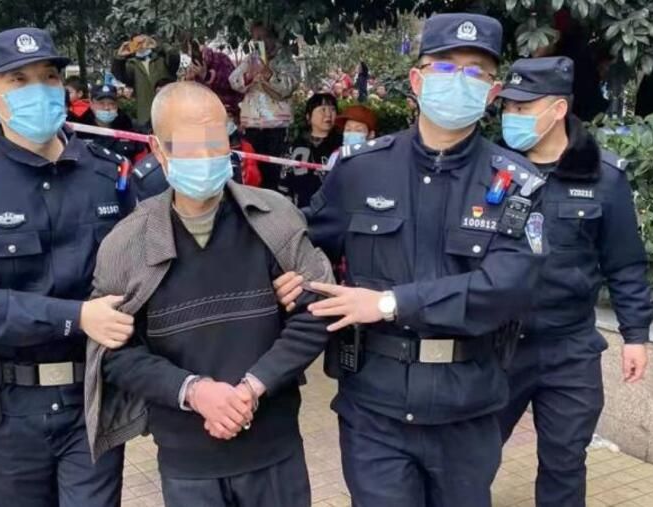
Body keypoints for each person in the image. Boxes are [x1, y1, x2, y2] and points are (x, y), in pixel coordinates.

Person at [274, 13, 549, 506]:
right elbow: (308, 245)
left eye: (474, 72)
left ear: (492, 93)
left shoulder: (516, 184)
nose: (458, 81)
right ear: (418, 81)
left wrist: (389, 303)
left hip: (466, 409)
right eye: (444, 68)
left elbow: (508, 287)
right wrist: (294, 283)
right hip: (373, 408)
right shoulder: (361, 171)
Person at [84, 81, 333, 507]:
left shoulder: (273, 218)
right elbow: (115, 352)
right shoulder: (128, 244)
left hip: (274, 451)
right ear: (158, 149)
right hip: (188, 461)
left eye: (215, 143)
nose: (204, 157)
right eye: (188, 146)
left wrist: (252, 387)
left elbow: (316, 311)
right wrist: (194, 391)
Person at [0, 28, 133, 507]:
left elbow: (149, 265)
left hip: (94, 395)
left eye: (48, 77)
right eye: (18, 80)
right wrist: (76, 316)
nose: (38, 90)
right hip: (10, 408)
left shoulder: (108, 175)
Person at [496, 56, 652, 507]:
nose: (512, 116)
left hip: (570, 349)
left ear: (558, 109)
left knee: (565, 463)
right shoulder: (493, 167)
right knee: (472, 456)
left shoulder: (603, 176)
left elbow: (625, 263)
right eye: (508, 107)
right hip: (496, 344)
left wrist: (635, 336)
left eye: (523, 107)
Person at [229, 22, 299, 192]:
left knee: (273, 175)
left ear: (273, 37)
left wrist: (268, 74)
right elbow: (233, 81)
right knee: (252, 173)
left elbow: (288, 87)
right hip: (252, 127)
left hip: (276, 128)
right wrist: (249, 75)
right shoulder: (251, 59)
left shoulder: (285, 59)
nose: (259, 42)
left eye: (263, 37)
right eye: (256, 38)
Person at [282, 93, 341, 207]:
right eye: (322, 110)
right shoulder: (295, 146)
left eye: (332, 110)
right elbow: (284, 179)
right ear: (308, 117)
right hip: (300, 209)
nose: (328, 114)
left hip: (333, 209)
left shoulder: (342, 146)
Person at [113, 35, 181, 126]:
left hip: (170, 113)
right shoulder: (131, 65)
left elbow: (174, 56)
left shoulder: (162, 60)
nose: (141, 45)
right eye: (137, 43)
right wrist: (119, 57)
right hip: (146, 117)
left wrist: (159, 45)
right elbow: (120, 75)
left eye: (143, 41)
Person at [75, 84, 141, 160]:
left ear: (117, 105)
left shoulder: (129, 128)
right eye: (101, 103)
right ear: (91, 104)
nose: (106, 108)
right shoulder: (79, 130)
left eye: (111, 103)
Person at [185, 39, 243, 115]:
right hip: (208, 113)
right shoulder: (195, 69)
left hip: (229, 110)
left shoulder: (221, 59)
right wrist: (188, 80)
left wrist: (206, 75)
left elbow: (232, 84)